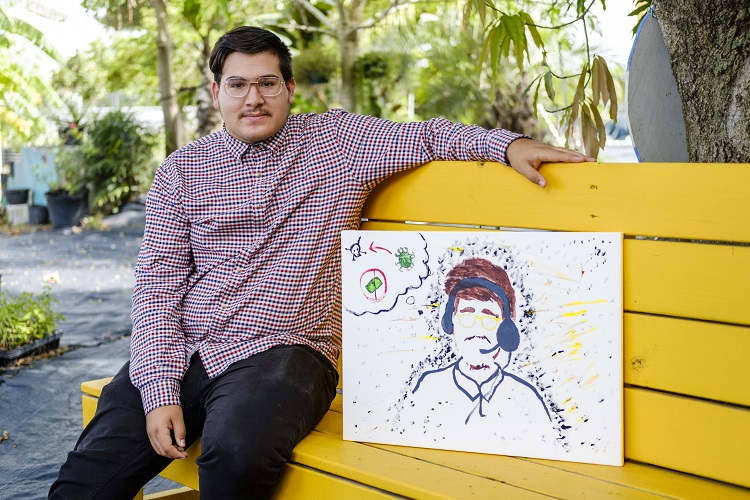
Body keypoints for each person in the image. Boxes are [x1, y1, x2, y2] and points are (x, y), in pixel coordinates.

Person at [50, 25, 592, 499]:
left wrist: (508, 144)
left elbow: (429, 135)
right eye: (237, 85)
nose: (253, 98)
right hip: (191, 343)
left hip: (290, 349)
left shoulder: (337, 141)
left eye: (267, 83)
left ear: (289, 88)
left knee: (234, 453)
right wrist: (160, 389)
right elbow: (158, 287)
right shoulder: (181, 170)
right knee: (87, 475)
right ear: (217, 93)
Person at [405, 258, 554, 441]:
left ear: (506, 329)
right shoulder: (429, 388)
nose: (477, 328)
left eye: (488, 317)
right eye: (467, 314)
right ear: (451, 322)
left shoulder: (525, 399)